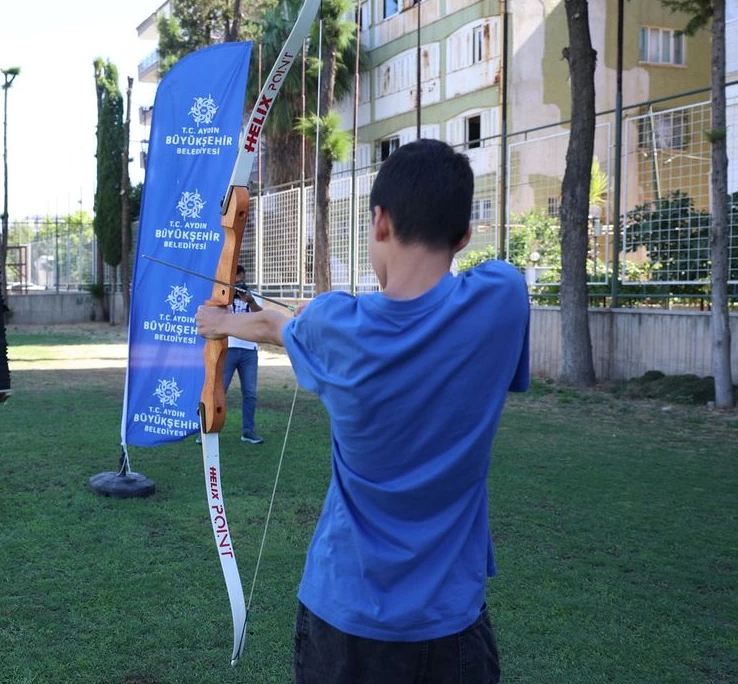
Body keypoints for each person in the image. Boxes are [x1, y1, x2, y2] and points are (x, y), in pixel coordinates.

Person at [196, 139, 529, 684]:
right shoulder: (504, 299)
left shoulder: (334, 326)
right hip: (452, 625)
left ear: (378, 222)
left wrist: (220, 323)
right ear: (465, 236)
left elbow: (279, 325)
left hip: (344, 621)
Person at [226, 264, 264, 444]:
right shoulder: (223, 296)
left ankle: (247, 431)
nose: (239, 284)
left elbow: (260, 317)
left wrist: (249, 300)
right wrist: (228, 298)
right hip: (228, 348)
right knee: (219, 390)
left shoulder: (253, 295)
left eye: (241, 281)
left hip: (249, 349)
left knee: (250, 392)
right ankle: (207, 430)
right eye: (235, 281)